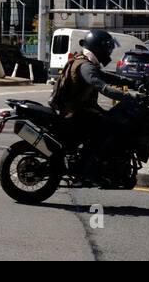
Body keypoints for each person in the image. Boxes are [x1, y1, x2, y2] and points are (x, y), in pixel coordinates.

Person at [51, 29, 136, 179]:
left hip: (82, 111)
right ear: (98, 48)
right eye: (107, 48)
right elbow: (102, 86)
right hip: (75, 114)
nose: (108, 52)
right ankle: (88, 168)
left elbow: (107, 77)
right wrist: (128, 96)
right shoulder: (85, 66)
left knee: (111, 121)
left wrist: (133, 83)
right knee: (108, 128)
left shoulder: (86, 62)